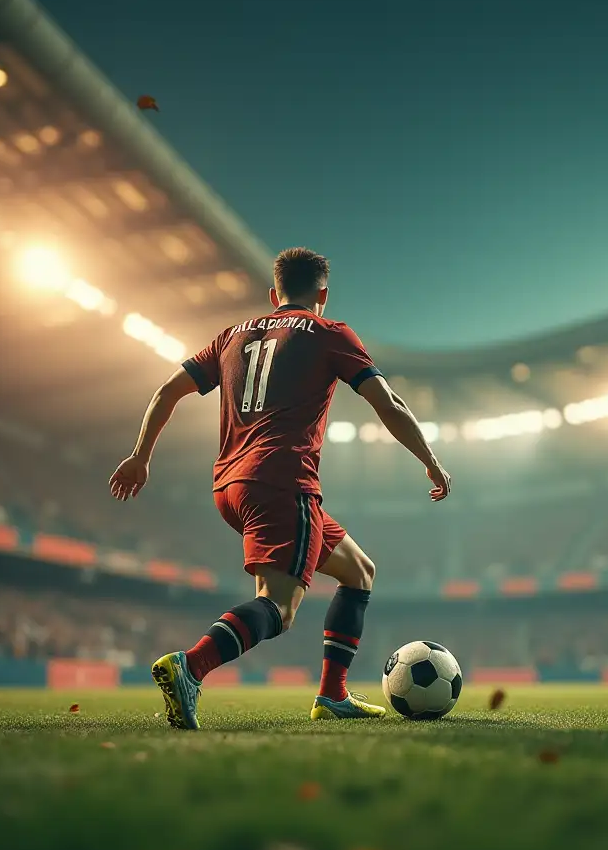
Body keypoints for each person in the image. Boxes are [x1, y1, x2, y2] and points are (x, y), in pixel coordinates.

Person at [109, 247, 451, 728]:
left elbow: (167, 390)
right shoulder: (331, 333)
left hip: (230, 486)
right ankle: (191, 666)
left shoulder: (231, 336)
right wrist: (431, 462)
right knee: (281, 607)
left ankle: (332, 696)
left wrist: (141, 456)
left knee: (358, 570)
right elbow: (387, 402)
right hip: (284, 483)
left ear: (274, 294)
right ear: (323, 295)